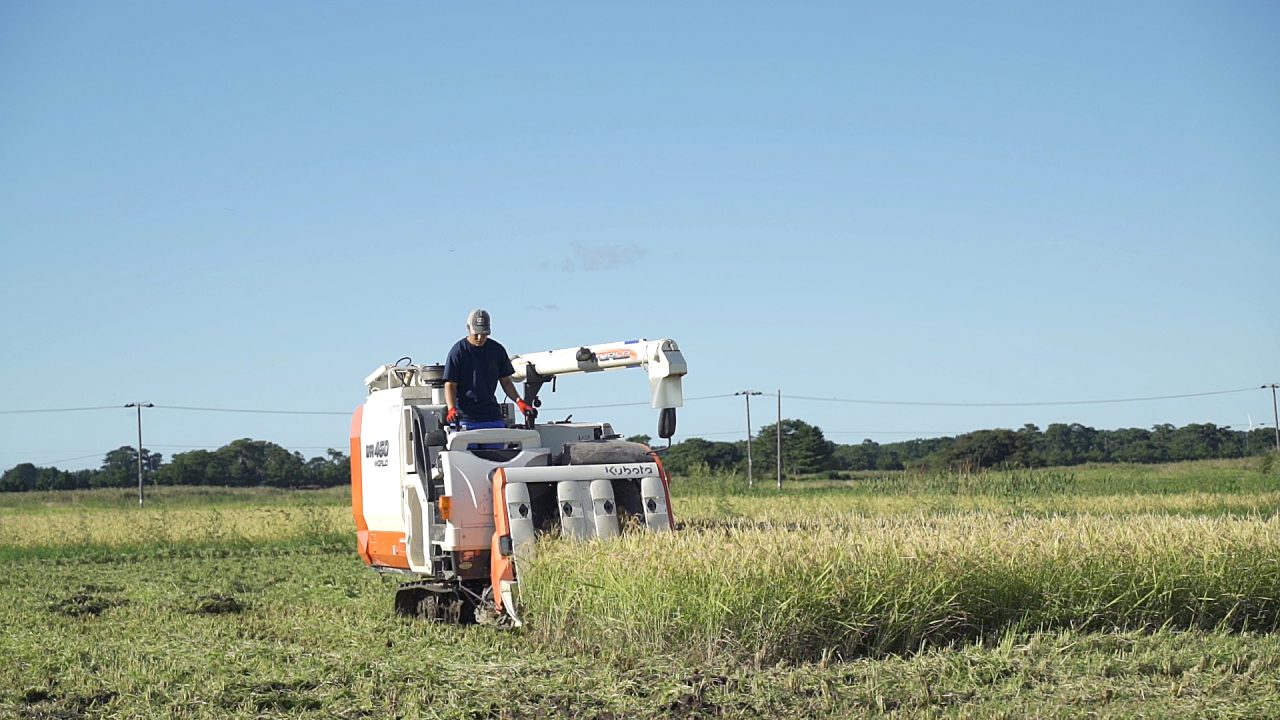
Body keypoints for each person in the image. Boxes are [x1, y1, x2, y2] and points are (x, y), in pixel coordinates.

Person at [442, 309, 533, 430]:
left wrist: (519, 401)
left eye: (484, 334)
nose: (480, 338)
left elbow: (505, 381)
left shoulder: (497, 350)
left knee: (497, 448)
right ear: (468, 328)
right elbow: (450, 385)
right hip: (465, 419)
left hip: (491, 417)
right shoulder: (458, 351)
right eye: (476, 334)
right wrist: (451, 408)